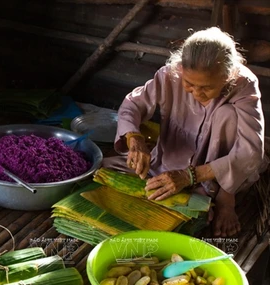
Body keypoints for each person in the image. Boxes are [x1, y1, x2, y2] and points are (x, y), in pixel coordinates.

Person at [103, 27, 268, 237]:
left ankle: (226, 197)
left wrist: (190, 175)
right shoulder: (170, 74)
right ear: (181, 68)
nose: (197, 93)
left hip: (220, 164)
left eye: (207, 87)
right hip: (173, 155)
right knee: (111, 169)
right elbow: (132, 105)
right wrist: (134, 139)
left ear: (228, 76)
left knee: (228, 114)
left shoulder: (244, 83)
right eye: (189, 84)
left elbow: (251, 151)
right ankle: (176, 176)